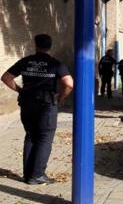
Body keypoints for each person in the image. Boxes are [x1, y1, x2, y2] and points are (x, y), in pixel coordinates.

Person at [1, 34, 73, 185]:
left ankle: (28, 175)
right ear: (50, 45)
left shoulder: (26, 61)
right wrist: (61, 97)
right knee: (45, 138)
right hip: (46, 105)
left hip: (27, 104)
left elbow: (6, 77)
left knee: (30, 136)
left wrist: (20, 90)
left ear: (35, 44)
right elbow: (69, 84)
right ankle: (38, 175)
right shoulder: (56, 64)